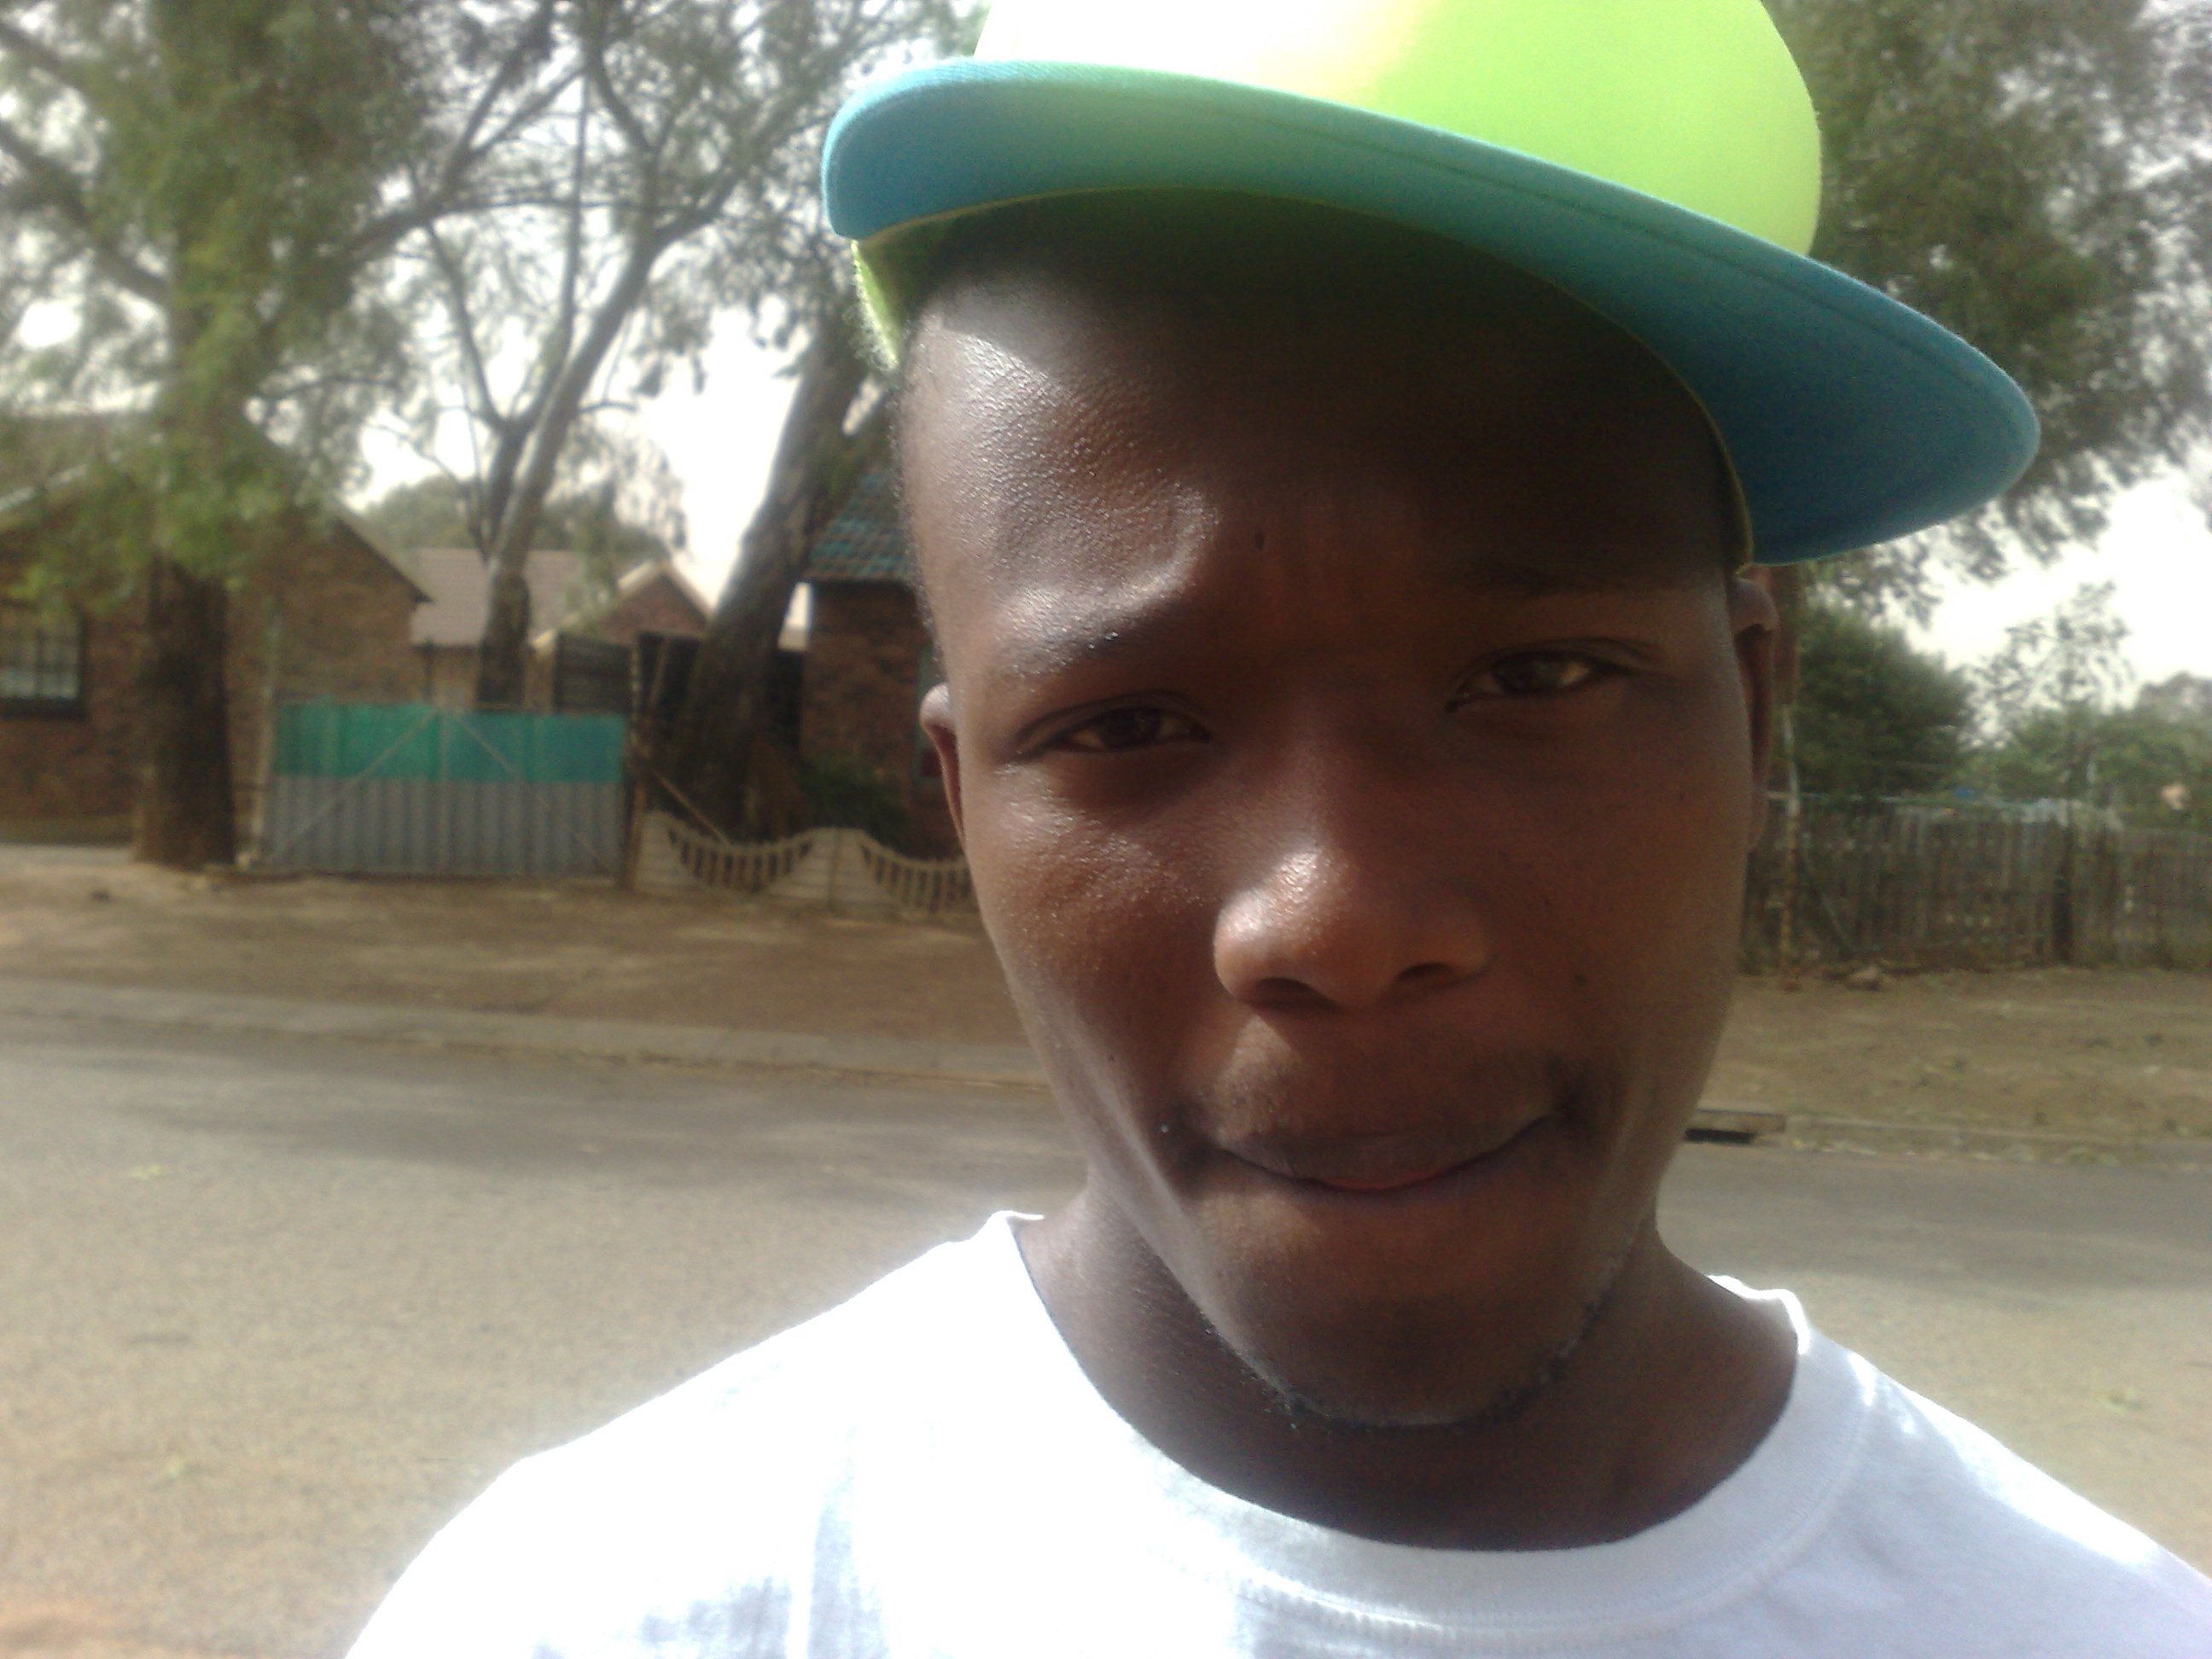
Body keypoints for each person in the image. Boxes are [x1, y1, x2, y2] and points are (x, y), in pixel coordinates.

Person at [350, 2, 2212, 1653]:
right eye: (1123, 725)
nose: (1339, 919)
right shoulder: (605, 1611)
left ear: (1754, 717)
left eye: (1539, 677)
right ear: (963, 811)